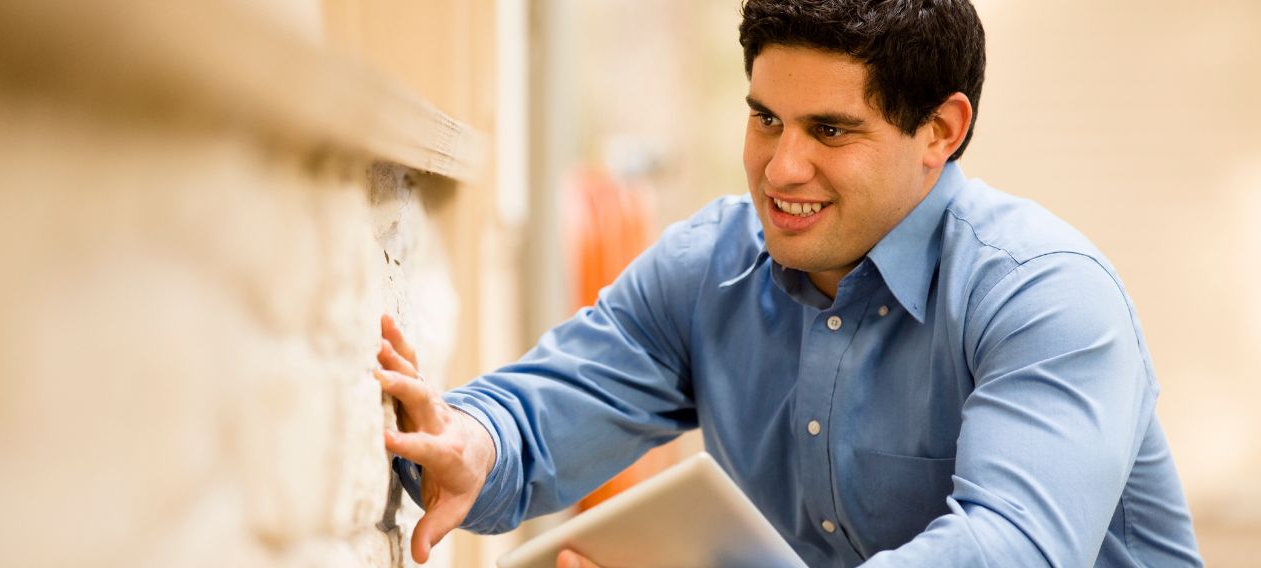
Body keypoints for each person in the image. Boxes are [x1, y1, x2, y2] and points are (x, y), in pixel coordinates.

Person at [374, 0, 1204, 565]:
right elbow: (542, 413)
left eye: (830, 130)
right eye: (766, 118)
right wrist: (472, 446)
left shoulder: (1046, 297)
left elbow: (1010, 549)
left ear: (940, 131)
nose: (780, 168)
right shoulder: (708, 268)